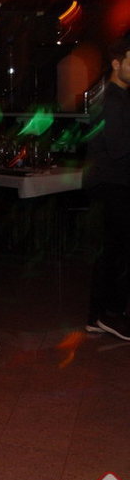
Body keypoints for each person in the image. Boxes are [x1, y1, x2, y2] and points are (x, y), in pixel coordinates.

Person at [83, 37, 130, 340]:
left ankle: (104, 314)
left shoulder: (119, 96)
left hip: (113, 184)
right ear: (116, 64)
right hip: (111, 185)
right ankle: (104, 314)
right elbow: (117, 148)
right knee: (115, 253)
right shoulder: (113, 99)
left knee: (114, 252)